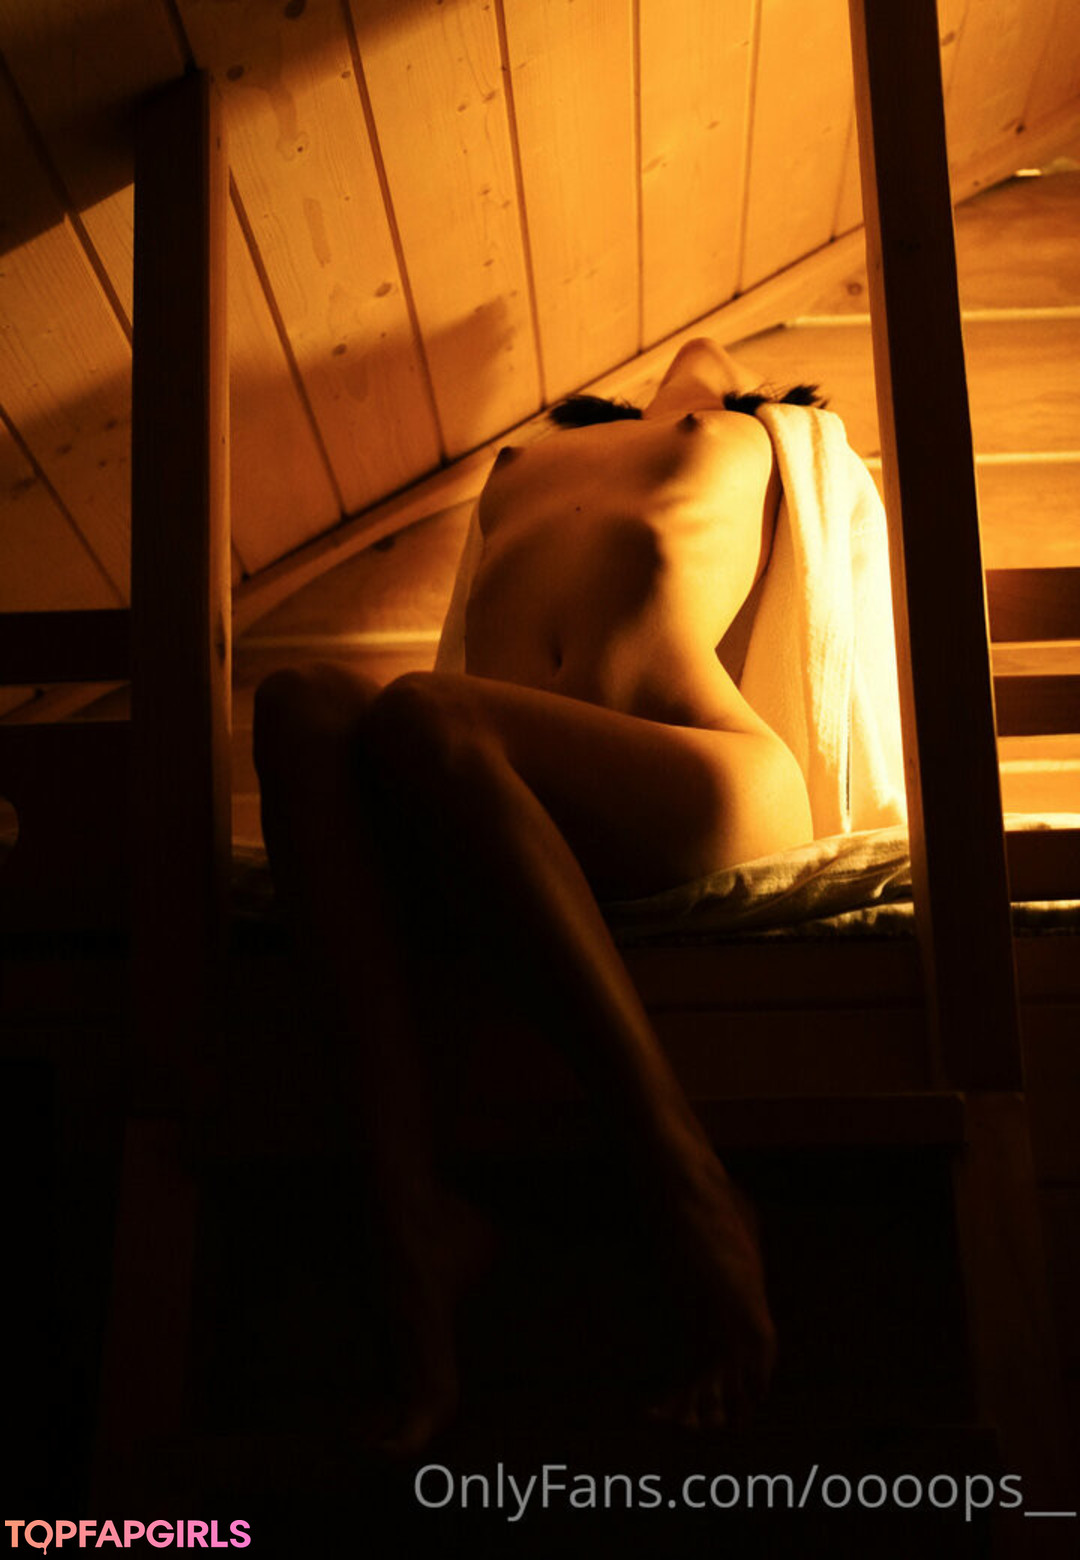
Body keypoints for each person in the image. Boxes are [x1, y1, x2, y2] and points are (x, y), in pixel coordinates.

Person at [253, 338, 816, 1455]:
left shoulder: (772, 436)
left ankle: (689, 1183)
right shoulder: (532, 456)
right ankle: (413, 1220)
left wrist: (731, 395)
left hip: (697, 771)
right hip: (496, 775)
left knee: (426, 710)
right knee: (298, 703)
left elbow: (825, 621)